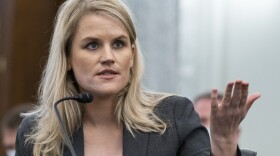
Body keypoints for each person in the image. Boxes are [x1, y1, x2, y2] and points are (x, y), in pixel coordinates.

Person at [15, 0, 261, 155]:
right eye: (92, 45)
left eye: (119, 44)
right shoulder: (37, 133)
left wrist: (222, 144)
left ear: (131, 55)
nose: (108, 57)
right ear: (67, 57)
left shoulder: (173, 116)